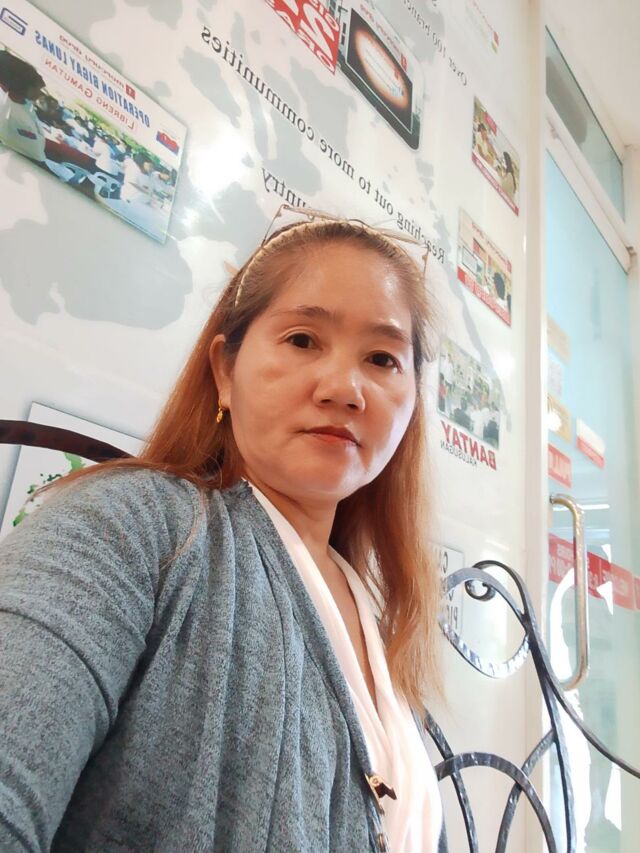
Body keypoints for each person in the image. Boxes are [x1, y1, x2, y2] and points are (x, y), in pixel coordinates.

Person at [0, 207, 444, 852]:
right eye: (302, 340)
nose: (345, 388)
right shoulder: (130, 527)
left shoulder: (377, 612)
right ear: (224, 370)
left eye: (381, 357)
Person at [0, 50, 46, 162]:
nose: (40, 93)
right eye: (36, 88)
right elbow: (36, 155)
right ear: (21, 86)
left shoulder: (24, 102)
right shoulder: (12, 116)